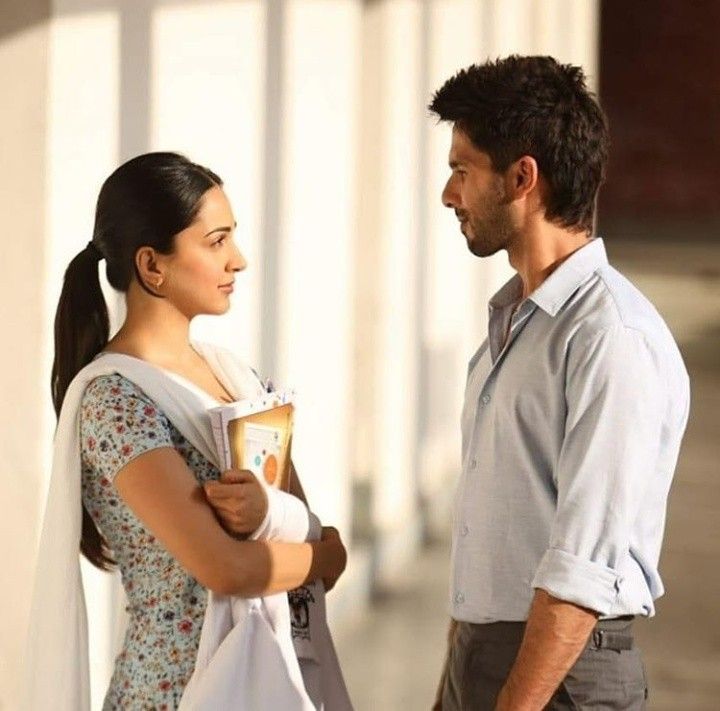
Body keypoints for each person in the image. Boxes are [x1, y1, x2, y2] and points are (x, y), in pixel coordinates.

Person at [25, 152, 349, 710]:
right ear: (152, 266)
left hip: (266, 677)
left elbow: (296, 520)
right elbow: (226, 567)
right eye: (217, 241)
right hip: (173, 692)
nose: (239, 260)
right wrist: (327, 558)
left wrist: (313, 547)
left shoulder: (236, 377)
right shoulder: (115, 399)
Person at [428, 56, 690, 710]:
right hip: (484, 658)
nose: (449, 194)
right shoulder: (513, 322)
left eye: (462, 170)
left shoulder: (609, 337)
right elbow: (490, 542)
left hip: (561, 676)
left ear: (522, 177)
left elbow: (581, 571)